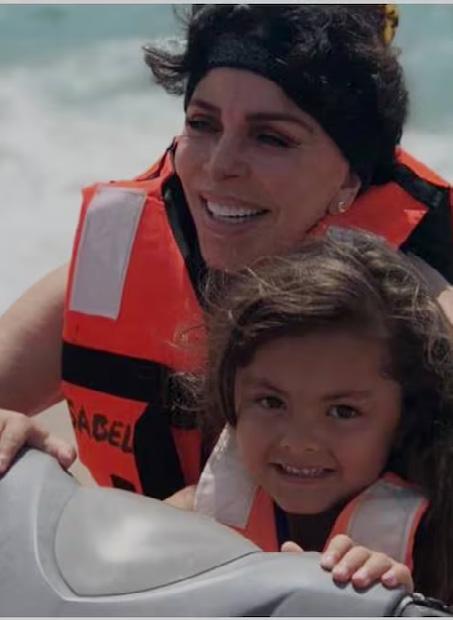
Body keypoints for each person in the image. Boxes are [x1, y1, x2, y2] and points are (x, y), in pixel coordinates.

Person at [0, 5, 452, 495]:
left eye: (271, 138)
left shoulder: (422, 318)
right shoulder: (117, 270)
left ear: (349, 178)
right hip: (131, 546)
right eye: (203, 124)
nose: (219, 166)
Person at [169, 229, 453, 603]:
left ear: (408, 415)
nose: (298, 442)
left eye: (343, 411)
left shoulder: (441, 547)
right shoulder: (184, 522)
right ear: (231, 397)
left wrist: (403, 608)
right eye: (271, 402)